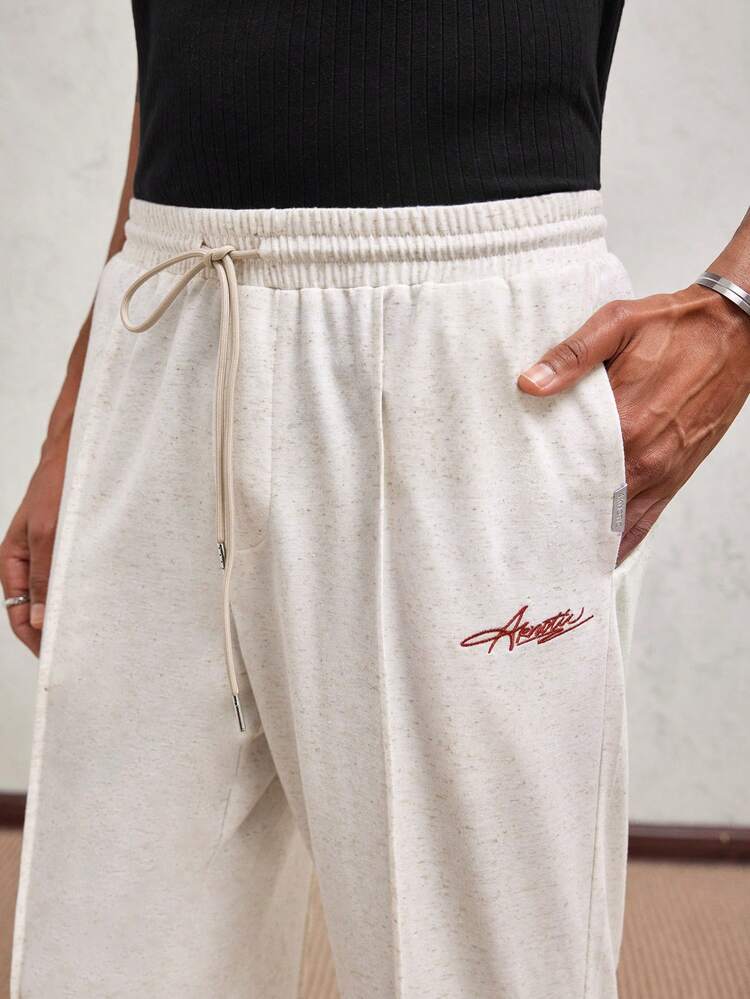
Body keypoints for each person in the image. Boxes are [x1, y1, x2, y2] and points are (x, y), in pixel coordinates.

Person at [4, 2, 749, 997]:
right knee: (114, 955)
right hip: (169, 310)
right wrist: (77, 410)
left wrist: (738, 314)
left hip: (475, 343)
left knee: (475, 969)